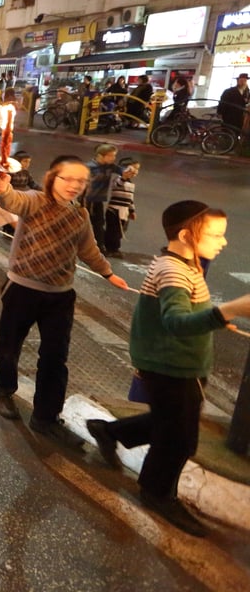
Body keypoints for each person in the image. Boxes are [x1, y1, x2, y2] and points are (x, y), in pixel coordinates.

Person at [87, 201, 250, 538]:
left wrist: (213, 316)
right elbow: (175, 321)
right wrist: (228, 311)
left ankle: (109, 432)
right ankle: (157, 492)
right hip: (170, 365)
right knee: (180, 440)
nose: (223, 241)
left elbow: (186, 310)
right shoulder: (173, 270)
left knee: (168, 422)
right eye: (216, 234)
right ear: (186, 235)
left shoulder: (186, 263)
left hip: (174, 363)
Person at [0, 155, 128, 444]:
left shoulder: (80, 215)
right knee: (9, 345)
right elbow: (11, 201)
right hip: (22, 290)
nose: (75, 185)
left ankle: (46, 416)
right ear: (53, 177)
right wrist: (2, 187)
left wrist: (108, 273)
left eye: (81, 181)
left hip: (60, 296)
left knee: (55, 358)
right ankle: (4, 391)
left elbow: (88, 249)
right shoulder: (34, 200)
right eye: (68, 178)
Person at [85, 144, 120, 251]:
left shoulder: (110, 167)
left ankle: (99, 246)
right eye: (111, 156)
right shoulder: (89, 167)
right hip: (88, 200)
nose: (113, 158)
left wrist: (129, 170)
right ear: (100, 156)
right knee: (87, 224)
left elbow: (121, 170)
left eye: (114, 156)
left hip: (98, 200)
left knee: (99, 223)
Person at [105, 157, 139, 257]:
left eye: (137, 169)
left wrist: (132, 211)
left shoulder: (131, 183)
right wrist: (124, 176)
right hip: (114, 210)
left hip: (124, 211)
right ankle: (112, 249)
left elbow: (130, 199)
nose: (135, 171)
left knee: (120, 230)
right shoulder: (119, 180)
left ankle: (112, 248)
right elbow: (119, 183)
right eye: (133, 169)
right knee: (114, 231)